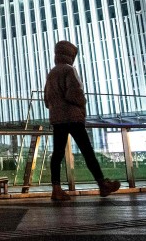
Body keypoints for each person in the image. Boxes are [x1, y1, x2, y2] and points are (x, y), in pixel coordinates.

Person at [43, 40, 121, 201]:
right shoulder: (70, 70)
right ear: (70, 55)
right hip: (72, 117)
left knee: (57, 154)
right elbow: (74, 93)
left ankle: (56, 189)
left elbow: (46, 100)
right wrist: (82, 103)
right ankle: (102, 184)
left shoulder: (51, 73)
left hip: (57, 119)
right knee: (87, 151)